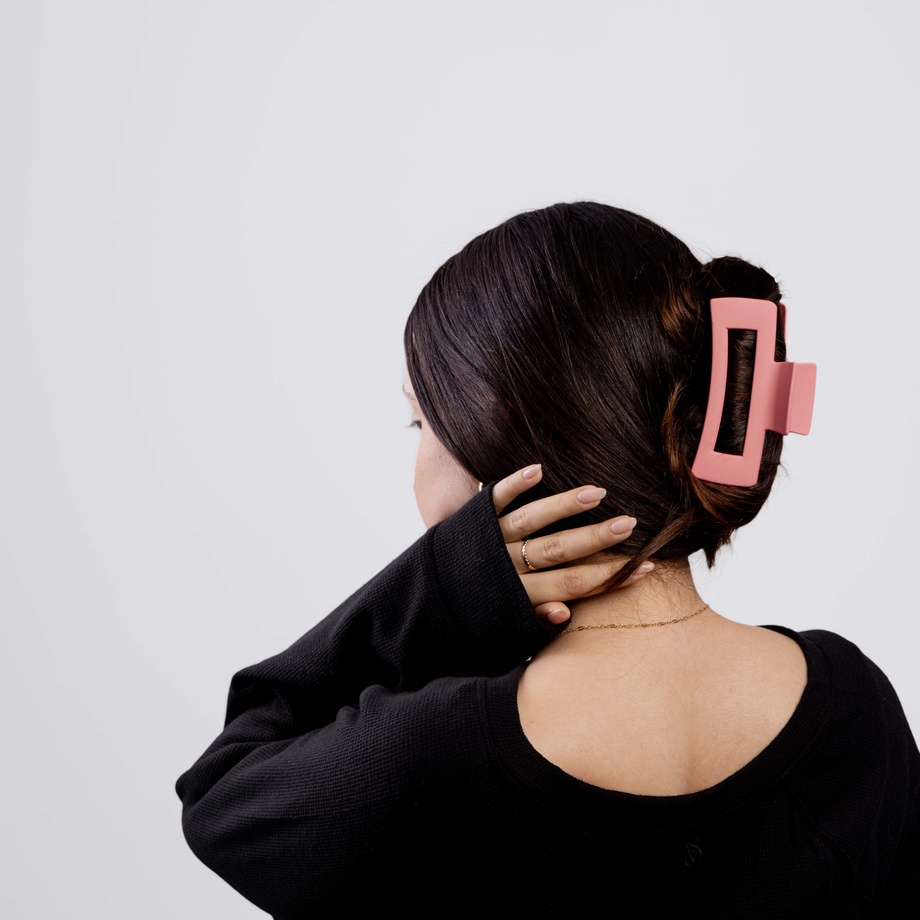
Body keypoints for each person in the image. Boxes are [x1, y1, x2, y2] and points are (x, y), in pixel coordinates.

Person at [175, 202, 919, 916]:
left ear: (491, 434)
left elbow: (222, 795)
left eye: (420, 421)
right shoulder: (856, 710)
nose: (416, 461)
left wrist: (447, 586)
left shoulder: (423, 755)